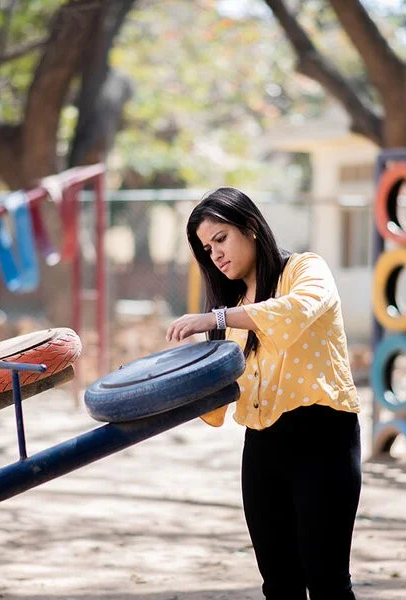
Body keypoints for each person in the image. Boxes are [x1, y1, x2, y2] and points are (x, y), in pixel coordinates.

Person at [166, 187, 362, 599]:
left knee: (327, 582)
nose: (215, 254)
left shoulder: (306, 270)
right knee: (279, 584)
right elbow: (219, 400)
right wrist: (164, 386)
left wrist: (214, 317)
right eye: (206, 248)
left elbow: (298, 309)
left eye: (220, 239)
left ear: (250, 227)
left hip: (323, 439)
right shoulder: (232, 310)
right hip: (262, 449)